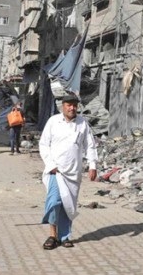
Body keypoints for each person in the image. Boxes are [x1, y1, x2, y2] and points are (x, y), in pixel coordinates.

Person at [39, 92, 98, 249]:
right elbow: (44, 144)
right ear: (62, 107)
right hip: (56, 171)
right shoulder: (53, 122)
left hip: (74, 172)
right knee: (54, 202)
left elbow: (90, 145)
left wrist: (92, 165)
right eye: (68, 105)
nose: (72, 108)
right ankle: (52, 235)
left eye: (74, 105)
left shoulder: (82, 123)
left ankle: (64, 237)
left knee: (68, 205)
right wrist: (51, 165)